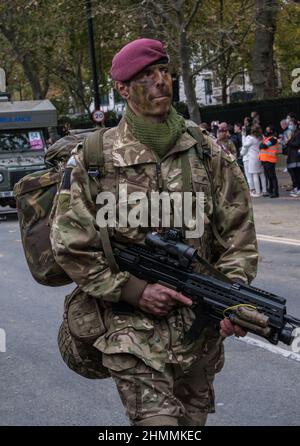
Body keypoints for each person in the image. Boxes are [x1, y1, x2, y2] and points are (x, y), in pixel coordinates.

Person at [50, 38, 258, 426]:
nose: (160, 81)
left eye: (164, 72)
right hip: (131, 329)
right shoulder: (95, 157)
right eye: (146, 76)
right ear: (123, 89)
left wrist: (231, 296)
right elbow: (70, 243)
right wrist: (135, 290)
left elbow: (239, 235)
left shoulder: (207, 152)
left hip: (198, 334)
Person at [241, 124, 267, 197]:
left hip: (253, 158)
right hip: (261, 157)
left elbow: (245, 145)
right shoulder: (262, 137)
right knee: (262, 174)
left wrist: (243, 136)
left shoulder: (251, 139)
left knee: (255, 174)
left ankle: (258, 192)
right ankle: (264, 190)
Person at [258, 126, 280, 198]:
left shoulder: (273, 139)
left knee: (272, 176)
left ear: (272, 131)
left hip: (270, 160)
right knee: (268, 176)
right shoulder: (267, 139)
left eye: (268, 130)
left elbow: (263, 146)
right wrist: (262, 145)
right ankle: (270, 190)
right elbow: (261, 146)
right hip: (265, 160)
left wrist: (262, 145)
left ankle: (276, 192)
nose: (266, 131)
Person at [286, 120, 300, 198]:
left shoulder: (298, 133)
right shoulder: (293, 133)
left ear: (295, 125)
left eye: (291, 124)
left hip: (296, 157)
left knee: (297, 174)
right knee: (294, 174)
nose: (290, 126)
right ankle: (296, 188)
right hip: (292, 156)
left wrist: (289, 143)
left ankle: (298, 189)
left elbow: (297, 144)